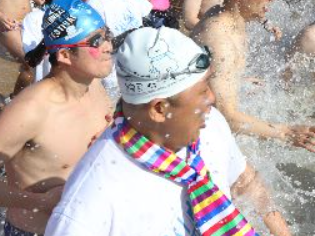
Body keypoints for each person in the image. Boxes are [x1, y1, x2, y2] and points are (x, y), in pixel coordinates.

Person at [45, 27, 292, 236]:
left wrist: (281, 230)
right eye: (202, 91)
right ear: (159, 109)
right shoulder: (91, 202)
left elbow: (245, 180)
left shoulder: (210, 124)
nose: (212, 98)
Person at [0, 0, 113, 235]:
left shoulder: (94, 86)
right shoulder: (31, 109)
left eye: (106, 34)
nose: (107, 45)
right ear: (65, 55)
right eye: (96, 41)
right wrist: (41, 201)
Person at [191, 0, 315, 151]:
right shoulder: (221, 42)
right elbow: (227, 117)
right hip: (198, 137)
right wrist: (286, 133)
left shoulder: (227, 13)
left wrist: (267, 23)